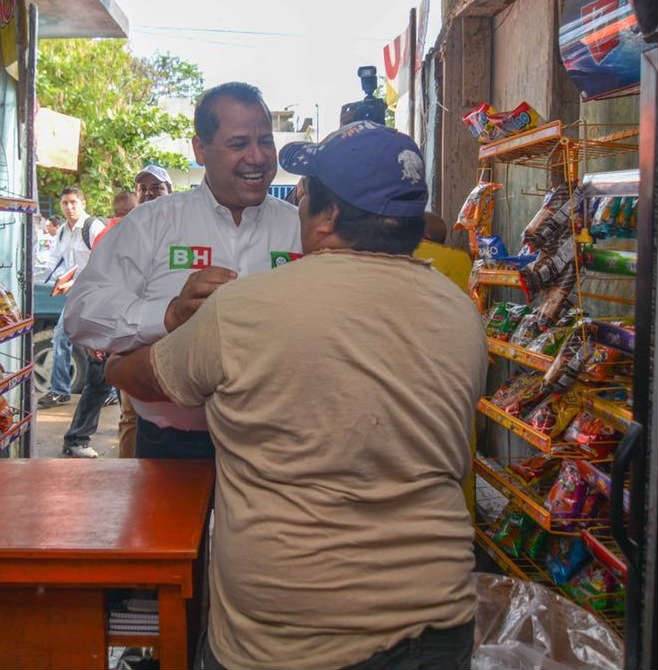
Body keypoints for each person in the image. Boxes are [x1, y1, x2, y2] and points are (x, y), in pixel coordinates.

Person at [106, 121, 488, 670]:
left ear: (328, 218)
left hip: (288, 637)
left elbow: (149, 378)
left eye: (305, 195)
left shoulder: (247, 308)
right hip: (438, 621)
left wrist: (119, 362)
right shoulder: (460, 314)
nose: (298, 204)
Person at [64, 82, 301, 458]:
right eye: (239, 144)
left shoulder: (300, 227)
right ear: (200, 149)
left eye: (265, 141)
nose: (257, 157)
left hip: (275, 446)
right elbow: (81, 315)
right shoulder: (152, 223)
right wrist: (168, 314)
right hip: (171, 444)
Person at [60, 191, 139, 458]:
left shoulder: (117, 234)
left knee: (115, 392)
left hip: (120, 326)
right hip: (112, 327)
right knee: (100, 384)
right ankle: (77, 439)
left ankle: (79, 439)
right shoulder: (113, 236)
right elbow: (96, 284)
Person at [118, 168, 173, 458]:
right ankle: (127, 479)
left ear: (170, 192)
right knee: (131, 415)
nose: (149, 193)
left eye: (157, 187)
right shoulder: (126, 233)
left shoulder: (184, 230)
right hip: (134, 340)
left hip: (173, 338)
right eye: (143, 188)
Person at [38, 187, 105, 409]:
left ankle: (111, 390)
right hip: (76, 295)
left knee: (100, 343)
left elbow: (103, 264)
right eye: (65, 203)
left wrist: (72, 282)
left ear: (83, 203)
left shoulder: (93, 227)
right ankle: (60, 391)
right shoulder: (63, 231)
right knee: (61, 337)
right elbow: (54, 261)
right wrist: (55, 280)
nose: (69, 207)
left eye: (73, 202)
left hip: (96, 293)